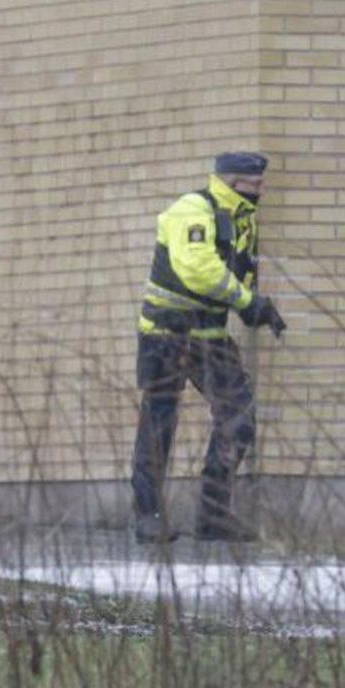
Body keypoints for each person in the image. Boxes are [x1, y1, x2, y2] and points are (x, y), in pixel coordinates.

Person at [130, 151, 287, 544]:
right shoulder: (193, 209)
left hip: (210, 336)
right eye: (256, 184)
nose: (261, 190)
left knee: (239, 415)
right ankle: (147, 516)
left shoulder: (241, 220)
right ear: (234, 182)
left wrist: (255, 307)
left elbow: (236, 272)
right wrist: (247, 302)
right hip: (166, 333)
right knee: (159, 424)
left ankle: (214, 516)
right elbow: (197, 268)